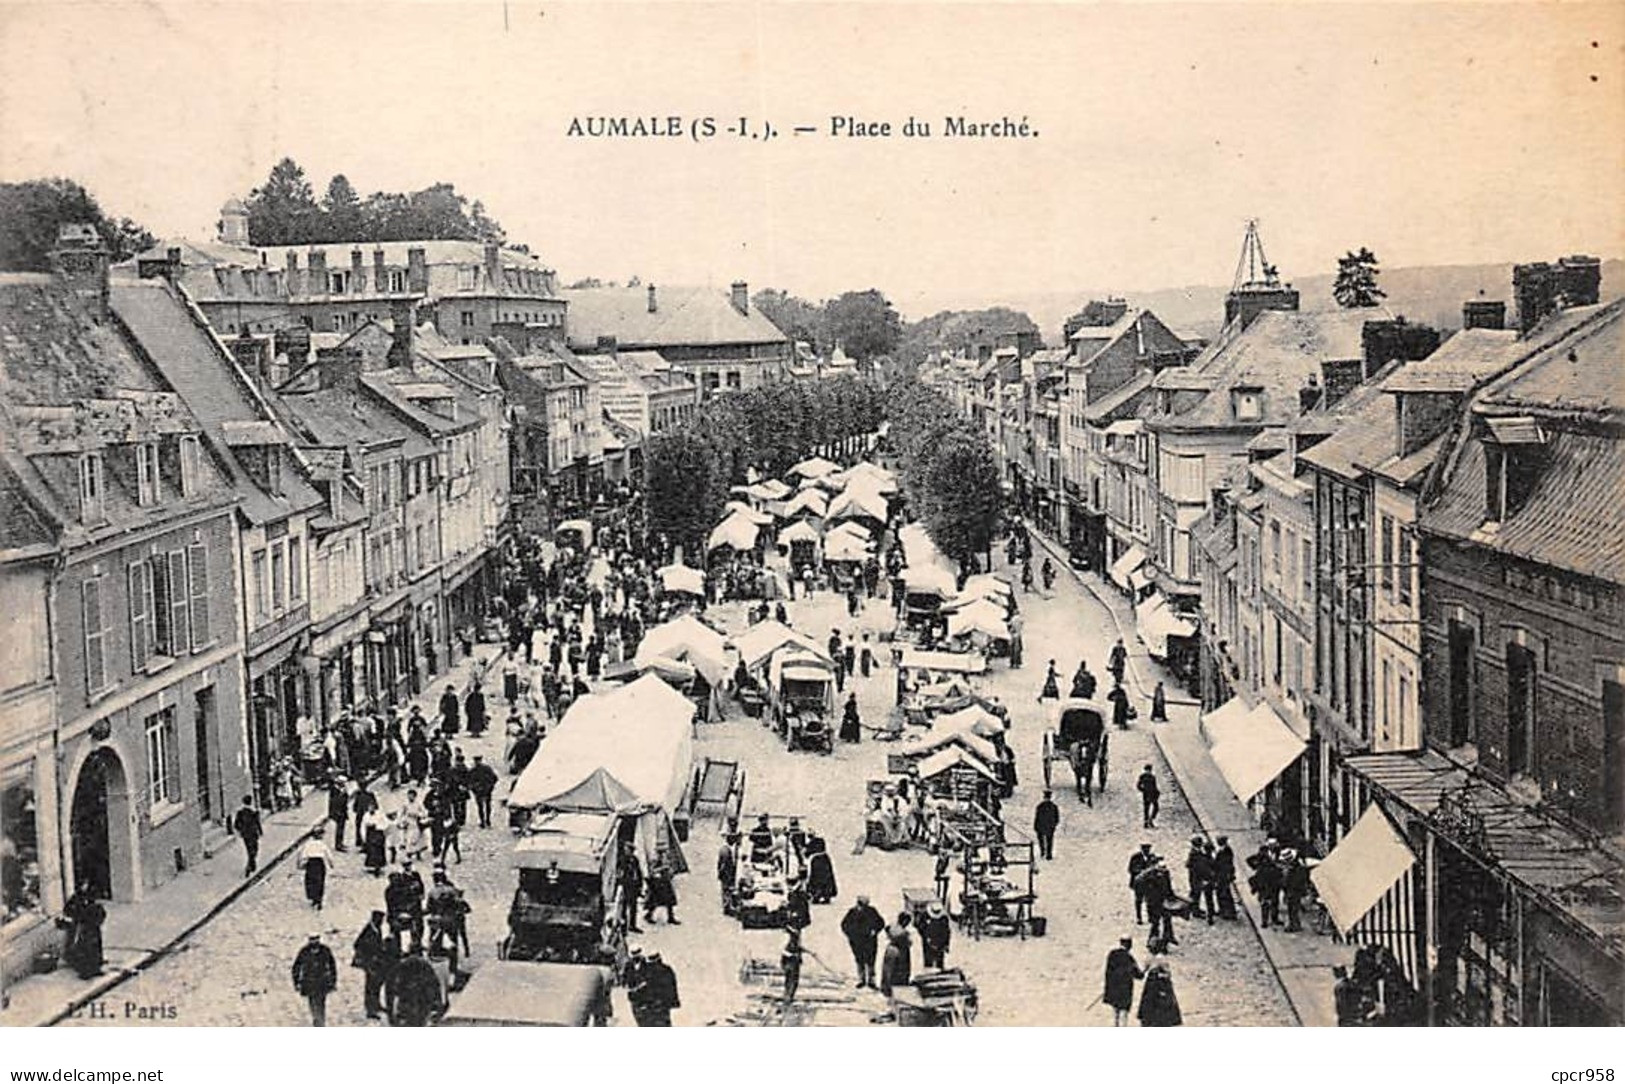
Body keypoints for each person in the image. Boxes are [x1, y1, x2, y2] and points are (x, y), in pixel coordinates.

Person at [352, 910, 395, 1020]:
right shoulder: (369, 930)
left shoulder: (376, 928)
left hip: (376, 963)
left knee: (376, 984)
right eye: (380, 920)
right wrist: (369, 957)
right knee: (371, 986)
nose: (381, 922)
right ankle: (370, 1010)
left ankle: (376, 1005)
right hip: (369, 963)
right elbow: (357, 944)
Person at [388, 945, 444, 1026]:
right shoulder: (426, 965)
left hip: (405, 1001)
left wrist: (390, 1012)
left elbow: (391, 986)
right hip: (422, 1002)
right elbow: (434, 984)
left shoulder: (402, 965)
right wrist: (437, 1004)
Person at [291, 932, 338, 1027]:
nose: (314, 942)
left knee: (321, 1003)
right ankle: (317, 1019)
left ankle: (320, 1021)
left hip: (322, 982)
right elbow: (296, 967)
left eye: (316, 939)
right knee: (312, 1002)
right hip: (309, 982)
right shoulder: (304, 952)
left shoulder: (325, 950)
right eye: (312, 940)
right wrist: (296, 982)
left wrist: (333, 981)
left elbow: (332, 966)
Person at [60, 886, 106, 979]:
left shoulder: (91, 898)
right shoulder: (77, 898)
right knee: (85, 946)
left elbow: (100, 911)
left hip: (92, 926)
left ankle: (96, 967)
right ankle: (86, 970)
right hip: (84, 927)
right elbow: (69, 910)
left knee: (95, 946)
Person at [841, 895, 886, 988]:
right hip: (857, 941)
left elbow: (881, 923)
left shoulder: (872, 911)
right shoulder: (852, 912)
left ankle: (871, 980)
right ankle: (861, 979)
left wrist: (875, 931)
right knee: (859, 960)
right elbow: (844, 925)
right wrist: (851, 935)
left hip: (870, 941)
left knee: (871, 961)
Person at [631, 950, 680, 1026]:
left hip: (651, 1006)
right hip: (663, 1005)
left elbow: (641, 988)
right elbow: (672, 986)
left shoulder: (646, 972)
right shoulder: (666, 969)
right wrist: (673, 1001)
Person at [1103, 937, 1143, 1027]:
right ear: (1129, 944)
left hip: (1113, 988)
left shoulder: (1112, 954)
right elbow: (1138, 975)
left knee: (1115, 1013)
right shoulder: (1129, 957)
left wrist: (1107, 987)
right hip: (1125, 990)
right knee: (1123, 1014)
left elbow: (1107, 972)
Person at [1137, 961, 1183, 1026]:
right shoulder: (1162, 959)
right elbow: (1168, 974)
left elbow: (1142, 973)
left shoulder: (1149, 959)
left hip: (1152, 985)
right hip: (1160, 985)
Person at [879, 913, 913, 998]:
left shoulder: (892, 926)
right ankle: (897, 987)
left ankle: (886, 987)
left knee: (888, 970)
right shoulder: (903, 932)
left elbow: (886, 928)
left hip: (890, 950)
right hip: (900, 951)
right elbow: (907, 943)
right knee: (900, 970)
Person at [300, 829, 333, 910]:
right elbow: (329, 855)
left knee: (311, 881)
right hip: (319, 863)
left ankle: (313, 897)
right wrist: (331, 864)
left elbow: (303, 855)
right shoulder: (322, 845)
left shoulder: (308, 844)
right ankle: (319, 899)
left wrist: (301, 865)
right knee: (320, 881)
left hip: (310, 864)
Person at [233, 795, 263, 877]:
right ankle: (249, 867)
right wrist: (260, 832)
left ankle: (252, 865)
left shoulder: (240, 813)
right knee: (254, 850)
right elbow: (258, 823)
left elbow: (236, 824)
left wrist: (241, 831)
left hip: (246, 835)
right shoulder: (254, 812)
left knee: (250, 850)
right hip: (253, 834)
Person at [644, 859, 680, 925]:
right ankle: (648, 915)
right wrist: (662, 868)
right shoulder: (656, 860)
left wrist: (670, 873)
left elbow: (671, 870)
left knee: (670, 901)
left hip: (666, 882)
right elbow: (652, 871)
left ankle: (670, 917)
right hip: (658, 883)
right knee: (655, 900)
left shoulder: (666, 859)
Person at [467, 755, 498, 829]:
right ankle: (486, 820)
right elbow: (495, 778)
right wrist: (490, 786)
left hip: (481, 791)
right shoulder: (486, 768)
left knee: (483, 806)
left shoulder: (474, 770)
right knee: (485, 806)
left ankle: (485, 821)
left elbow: (469, 781)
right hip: (484, 790)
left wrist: (474, 788)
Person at [1128, 843, 1157, 924]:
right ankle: (1139, 917)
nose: (1147, 850)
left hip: (1149, 883)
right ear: (1142, 849)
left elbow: (1155, 867)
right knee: (1138, 900)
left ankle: (1150, 917)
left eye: (1148, 849)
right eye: (1145, 849)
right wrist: (1142, 872)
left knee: (1150, 900)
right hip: (1138, 883)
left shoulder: (1152, 857)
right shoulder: (1135, 857)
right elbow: (1131, 869)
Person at [919, 900, 952, 970]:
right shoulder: (944, 920)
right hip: (936, 943)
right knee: (932, 961)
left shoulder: (943, 920)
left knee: (934, 961)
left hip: (935, 943)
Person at [805, 835, 838, 903]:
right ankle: (825, 895)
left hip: (817, 861)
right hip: (824, 859)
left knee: (817, 878)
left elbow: (807, 852)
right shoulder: (820, 842)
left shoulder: (813, 842)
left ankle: (817, 894)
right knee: (825, 878)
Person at [1212, 836, 1239, 920]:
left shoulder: (1226, 851)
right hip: (1221, 876)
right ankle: (1223, 910)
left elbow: (1225, 865)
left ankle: (1229, 912)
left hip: (1223, 876)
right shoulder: (1223, 850)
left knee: (1224, 894)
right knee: (1221, 893)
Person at [780, 928, 805, 1007]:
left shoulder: (793, 941)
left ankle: (788, 997)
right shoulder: (791, 941)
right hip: (792, 962)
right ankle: (788, 998)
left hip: (791, 962)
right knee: (792, 980)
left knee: (790, 981)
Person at [1033, 791, 1060, 860]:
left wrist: (1054, 824)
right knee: (1047, 840)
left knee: (1046, 840)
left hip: (1044, 826)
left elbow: (1056, 818)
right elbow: (1057, 818)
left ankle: (1046, 853)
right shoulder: (1052, 806)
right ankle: (1046, 853)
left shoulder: (1041, 806)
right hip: (1045, 826)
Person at [1136, 765, 1160, 829]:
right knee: (1150, 808)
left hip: (1148, 795)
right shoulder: (1150, 777)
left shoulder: (1145, 776)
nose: (1148, 771)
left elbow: (1138, 786)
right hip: (1150, 794)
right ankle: (1149, 821)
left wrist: (1143, 790)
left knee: (1150, 808)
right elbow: (1138, 786)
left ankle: (1148, 821)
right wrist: (1144, 790)